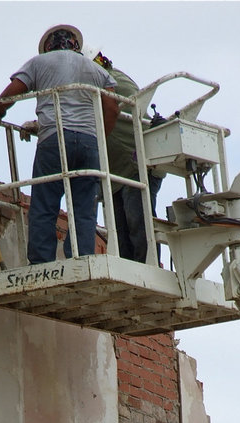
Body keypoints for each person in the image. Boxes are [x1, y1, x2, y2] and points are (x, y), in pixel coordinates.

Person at [0, 25, 119, 265]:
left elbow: (13, 91)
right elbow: (111, 106)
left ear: (48, 47)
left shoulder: (39, 63)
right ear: (75, 45)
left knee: (45, 204)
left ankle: (41, 262)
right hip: (88, 143)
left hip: (55, 140)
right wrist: (98, 138)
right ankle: (82, 258)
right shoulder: (95, 69)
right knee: (83, 209)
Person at [88, 50, 165, 264]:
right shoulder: (102, 83)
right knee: (121, 232)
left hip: (135, 166)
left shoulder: (111, 82)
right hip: (117, 172)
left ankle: (149, 269)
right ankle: (137, 268)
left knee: (138, 225)